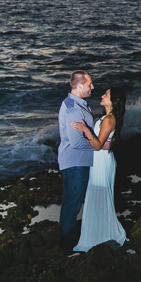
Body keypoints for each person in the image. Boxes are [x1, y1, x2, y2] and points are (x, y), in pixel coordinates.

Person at [71, 87, 128, 252]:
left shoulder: (109, 120)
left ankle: (101, 235)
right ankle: (100, 234)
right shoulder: (107, 118)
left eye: (106, 94)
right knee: (98, 198)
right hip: (100, 160)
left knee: (99, 197)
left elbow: (97, 145)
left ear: (113, 101)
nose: (102, 95)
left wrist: (86, 130)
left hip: (102, 161)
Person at [57, 70, 95, 253]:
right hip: (75, 164)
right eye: (89, 84)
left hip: (75, 162)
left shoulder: (75, 104)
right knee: (72, 205)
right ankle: (67, 248)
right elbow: (76, 142)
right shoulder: (73, 109)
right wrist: (97, 144)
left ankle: (67, 243)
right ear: (79, 86)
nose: (92, 87)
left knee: (71, 204)